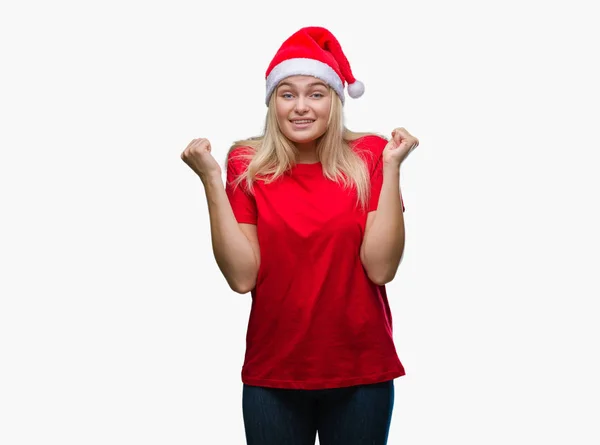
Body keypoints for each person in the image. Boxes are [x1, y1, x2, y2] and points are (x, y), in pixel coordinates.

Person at [181, 26, 419, 445]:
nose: (301, 107)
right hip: (273, 372)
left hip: (361, 371)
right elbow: (241, 278)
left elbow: (381, 268)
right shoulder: (247, 163)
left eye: (316, 93)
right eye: (287, 94)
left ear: (335, 102)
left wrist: (395, 167)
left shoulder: (371, 157)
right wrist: (211, 182)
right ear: (273, 102)